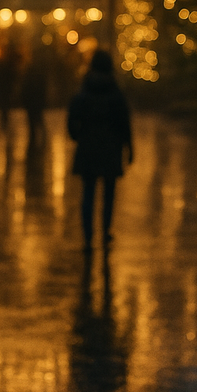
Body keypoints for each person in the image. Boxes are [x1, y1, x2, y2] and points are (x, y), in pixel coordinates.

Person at [67, 49, 133, 251]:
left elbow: (71, 122)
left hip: (88, 149)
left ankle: (88, 237)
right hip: (110, 149)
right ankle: (105, 231)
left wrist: (79, 137)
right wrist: (129, 147)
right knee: (109, 193)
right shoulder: (115, 94)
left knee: (88, 192)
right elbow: (124, 124)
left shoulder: (84, 92)